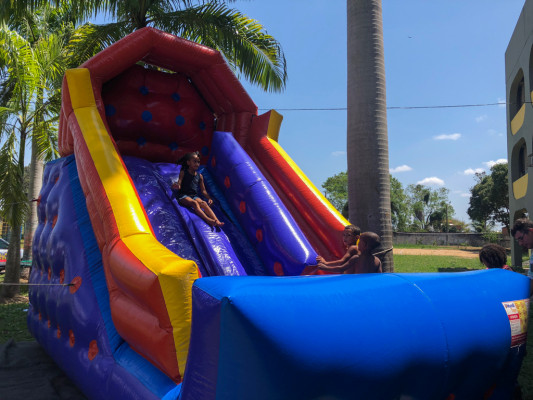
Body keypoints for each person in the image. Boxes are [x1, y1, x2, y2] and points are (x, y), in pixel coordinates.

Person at [172, 151, 224, 227]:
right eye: (194, 161)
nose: (197, 164)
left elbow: (203, 190)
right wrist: (177, 186)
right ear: (188, 162)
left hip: (194, 196)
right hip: (183, 195)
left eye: (198, 162)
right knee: (195, 203)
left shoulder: (200, 176)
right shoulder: (184, 172)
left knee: (204, 203)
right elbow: (179, 183)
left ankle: (217, 221)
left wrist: (209, 198)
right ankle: (208, 220)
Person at [316, 231, 382, 274]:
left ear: (365, 245)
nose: (358, 243)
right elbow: (379, 275)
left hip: (357, 284)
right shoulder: (377, 260)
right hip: (368, 285)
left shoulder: (356, 258)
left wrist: (325, 267)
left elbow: (341, 268)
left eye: (360, 241)